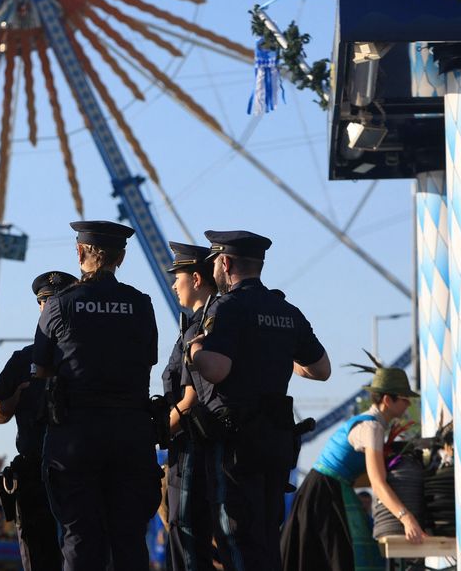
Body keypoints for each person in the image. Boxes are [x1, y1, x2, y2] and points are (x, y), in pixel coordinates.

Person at [186, 230, 332, 570]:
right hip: (276, 441)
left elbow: (217, 370)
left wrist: (195, 348)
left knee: (235, 535)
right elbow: (321, 369)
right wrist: (275, 352)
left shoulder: (228, 308)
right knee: (267, 536)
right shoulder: (286, 310)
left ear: (224, 262)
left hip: (236, 443)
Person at [32, 220, 161, 570]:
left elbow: (40, 369)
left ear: (79, 252)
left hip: (75, 434)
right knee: (129, 537)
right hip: (131, 432)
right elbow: (149, 360)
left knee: (79, 536)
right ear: (121, 257)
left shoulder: (59, 305)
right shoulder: (141, 304)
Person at [280, 362, 425, 571]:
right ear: (387, 400)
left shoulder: (372, 425)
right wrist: (407, 518)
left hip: (326, 490)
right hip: (324, 495)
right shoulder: (371, 427)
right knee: (341, 557)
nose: (407, 404)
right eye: (404, 399)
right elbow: (377, 481)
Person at [0, 270, 77, 571]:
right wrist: (11, 402)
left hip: (77, 470)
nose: (48, 308)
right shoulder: (23, 360)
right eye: (44, 303)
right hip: (35, 472)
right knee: (38, 557)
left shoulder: (83, 357)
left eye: (56, 302)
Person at [162, 242, 217, 571]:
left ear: (196, 278)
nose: (173, 284)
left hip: (190, 445)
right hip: (198, 443)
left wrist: (152, 433)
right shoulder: (198, 323)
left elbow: (189, 400)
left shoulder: (199, 329)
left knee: (185, 532)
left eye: (177, 277)